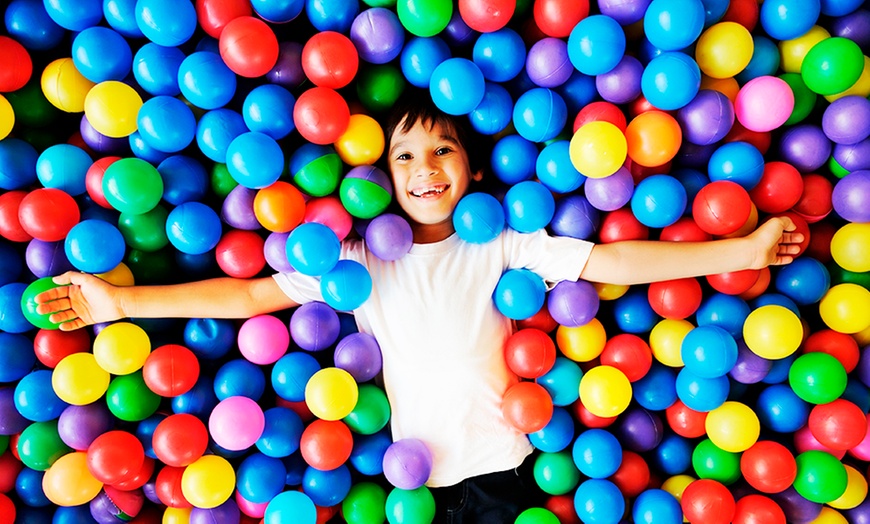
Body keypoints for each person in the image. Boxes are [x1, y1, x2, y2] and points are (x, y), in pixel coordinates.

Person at [36, 92, 803, 523]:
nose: (425, 167)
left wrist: (738, 251)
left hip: (512, 475)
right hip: (410, 490)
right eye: (405, 155)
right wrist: (122, 303)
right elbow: (249, 294)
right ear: (384, 177)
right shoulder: (361, 260)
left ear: (470, 166)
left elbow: (612, 263)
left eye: (442, 150)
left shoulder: (499, 240)